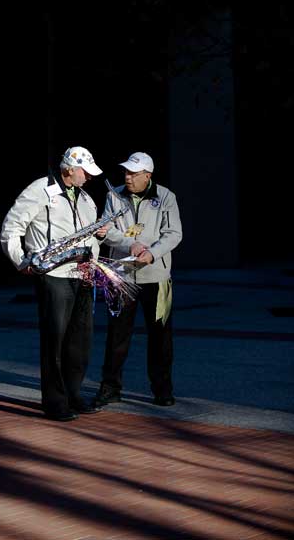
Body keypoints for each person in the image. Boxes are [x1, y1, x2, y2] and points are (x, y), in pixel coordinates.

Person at [0, 146, 107, 422]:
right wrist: (21, 261)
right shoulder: (40, 189)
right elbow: (12, 227)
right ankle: (55, 401)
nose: (89, 177)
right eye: (85, 171)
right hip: (54, 275)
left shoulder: (85, 198)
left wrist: (99, 240)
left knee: (80, 341)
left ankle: (73, 394)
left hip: (83, 275)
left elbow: (88, 237)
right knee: (55, 341)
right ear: (70, 169)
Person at [94, 151, 183, 408]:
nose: (128, 177)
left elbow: (174, 234)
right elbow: (105, 229)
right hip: (122, 276)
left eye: (134, 173)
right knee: (117, 335)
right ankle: (110, 388)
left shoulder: (166, 197)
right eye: (126, 172)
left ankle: (162, 389)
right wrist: (130, 244)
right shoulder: (114, 195)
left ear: (148, 176)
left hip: (156, 276)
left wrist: (152, 254)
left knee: (160, 336)